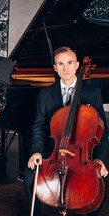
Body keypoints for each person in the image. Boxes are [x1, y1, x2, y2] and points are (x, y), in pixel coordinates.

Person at [23, 46, 109, 216]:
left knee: (101, 182)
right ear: (55, 68)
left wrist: (100, 160)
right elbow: (39, 127)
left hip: (83, 155)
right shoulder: (45, 94)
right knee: (29, 178)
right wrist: (37, 152)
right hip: (53, 152)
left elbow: (102, 133)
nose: (66, 68)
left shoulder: (92, 92)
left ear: (77, 65)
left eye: (70, 63)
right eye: (60, 64)